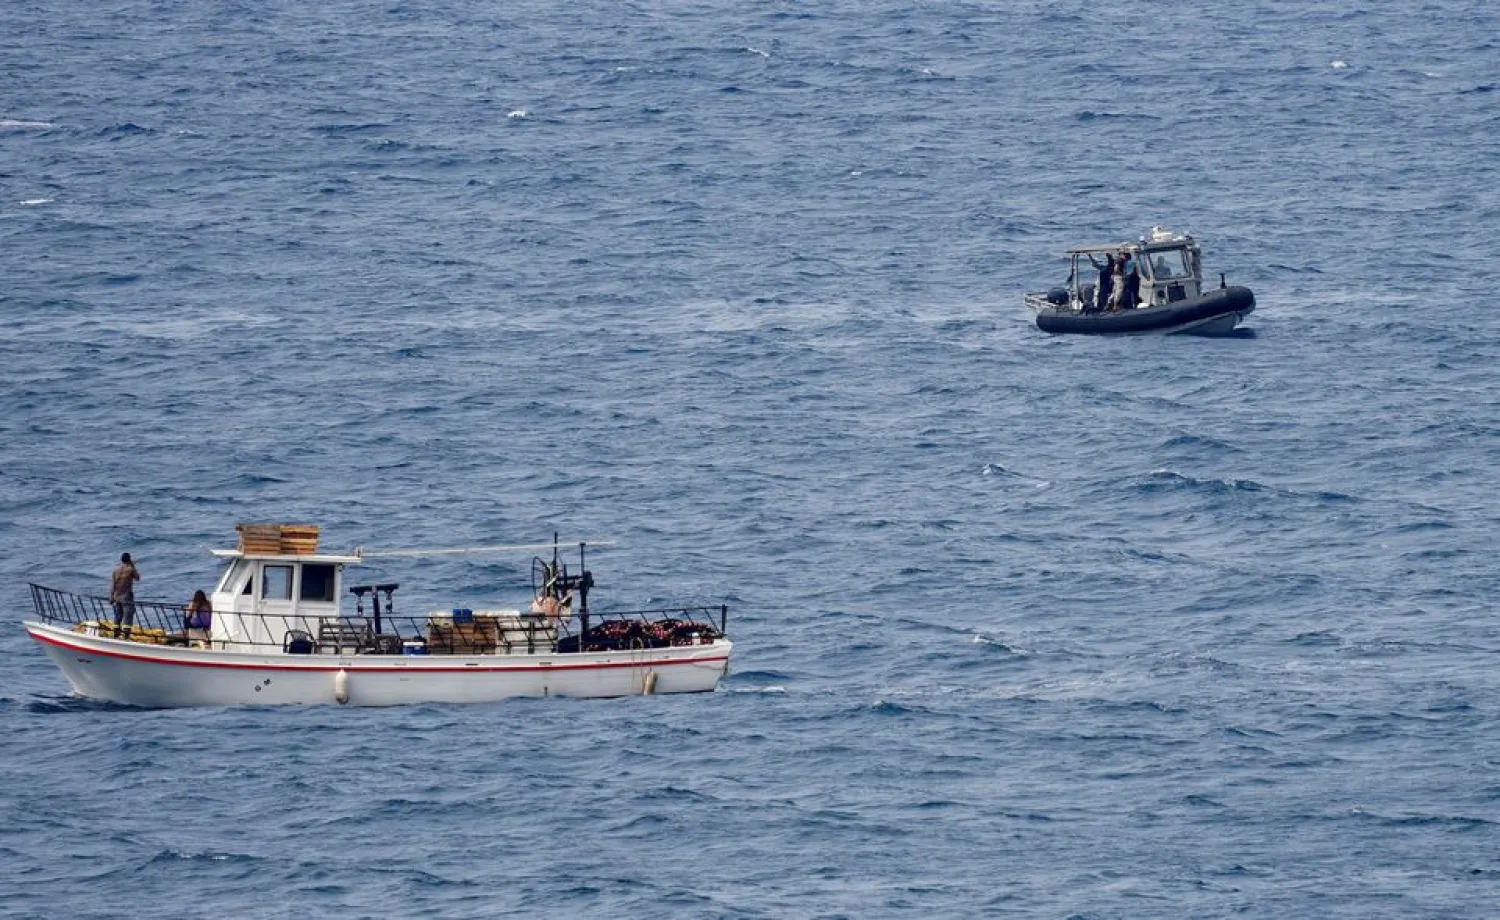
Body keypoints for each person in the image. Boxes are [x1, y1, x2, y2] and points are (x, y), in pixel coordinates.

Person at [110, 552, 140, 636]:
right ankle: (126, 636)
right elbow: (137, 577)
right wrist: (133, 566)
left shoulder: (116, 571)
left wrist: (111, 597)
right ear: (129, 559)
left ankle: (116, 633)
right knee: (128, 615)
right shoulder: (130, 569)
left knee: (118, 615)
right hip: (126, 596)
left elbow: (113, 585)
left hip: (117, 596)